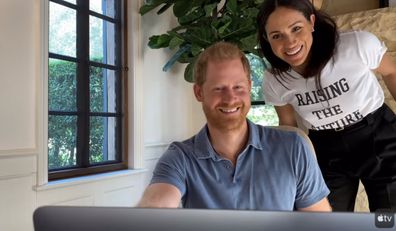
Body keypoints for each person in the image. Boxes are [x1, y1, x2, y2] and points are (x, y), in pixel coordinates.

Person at [138, 41, 332, 211]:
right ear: (199, 93)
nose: (230, 99)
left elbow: (319, 222)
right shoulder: (180, 157)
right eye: (218, 88)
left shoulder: (294, 147)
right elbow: (156, 205)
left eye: (238, 87)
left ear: (249, 87)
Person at [257, 0, 396, 212]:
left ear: (311, 22)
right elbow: (288, 124)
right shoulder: (275, 80)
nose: (290, 42)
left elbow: (391, 72)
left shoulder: (357, 45)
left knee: (388, 218)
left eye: (296, 28)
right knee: (328, 221)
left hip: (376, 135)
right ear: (267, 39)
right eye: (277, 35)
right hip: (325, 149)